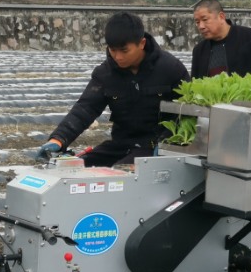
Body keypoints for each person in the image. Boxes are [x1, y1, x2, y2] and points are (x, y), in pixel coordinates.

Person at [37, 12, 190, 167]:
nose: (118, 57)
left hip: (154, 146)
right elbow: (85, 107)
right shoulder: (105, 74)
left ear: (142, 43)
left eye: (124, 51)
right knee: (76, 168)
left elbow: (187, 113)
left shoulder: (170, 68)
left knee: (119, 173)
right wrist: (58, 139)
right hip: (121, 145)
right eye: (113, 50)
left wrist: (166, 143)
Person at [191, 0, 251, 79]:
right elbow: (195, 85)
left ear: (221, 17)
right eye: (197, 22)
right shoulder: (199, 50)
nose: (201, 26)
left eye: (205, 19)